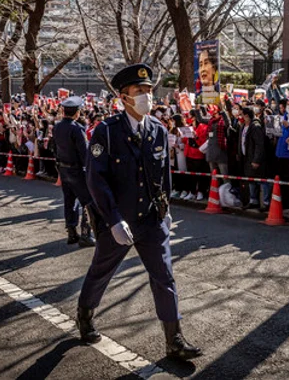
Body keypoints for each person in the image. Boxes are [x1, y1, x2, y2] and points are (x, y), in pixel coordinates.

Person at [78, 63, 202, 360]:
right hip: (118, 221)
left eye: (149, 90)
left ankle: (174, 340)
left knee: (165, 276)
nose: (147, 96)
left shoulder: (157, 130)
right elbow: (96, 180)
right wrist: (113, 219)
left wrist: (166, 209)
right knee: (101, 270)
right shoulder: (106, 133)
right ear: (124, 97)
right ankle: (85, 314)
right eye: (140, 91)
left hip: (151, 218)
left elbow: (164, 174)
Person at [53, 96, 96, 248]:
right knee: (88, 201)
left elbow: (54, 148)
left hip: (63, 168)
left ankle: (71, 232)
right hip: (77, 170)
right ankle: (86, 234)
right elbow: (84, 153)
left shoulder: (56, 126)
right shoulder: (77, 129)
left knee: (69, 201)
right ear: (77, 113)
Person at [238, 107, 266, 209]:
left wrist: (256, 160)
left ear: (246, 116)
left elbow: (259, 144)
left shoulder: (255, 126)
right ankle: (253, 200)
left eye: (242, 115)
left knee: (260, 180)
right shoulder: (243, 126)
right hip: (246, 158)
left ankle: (264, 202)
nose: (240, 117)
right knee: (250, 180)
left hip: (254, 158)